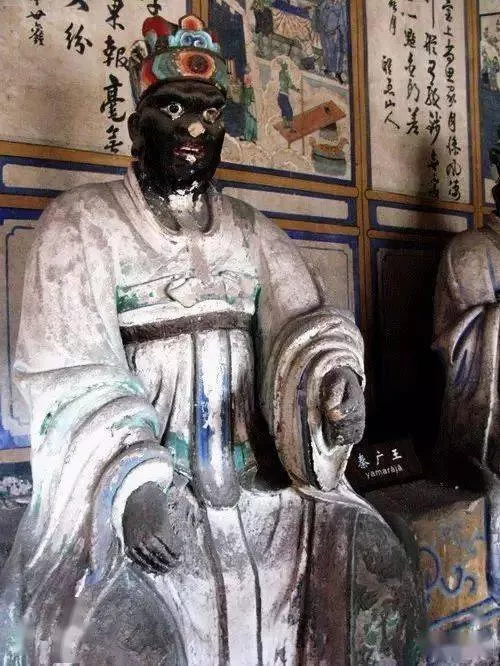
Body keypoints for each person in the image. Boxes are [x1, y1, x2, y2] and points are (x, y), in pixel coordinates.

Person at [0, 13, 424, 664]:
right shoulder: (82, 224)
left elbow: (306, 326)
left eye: (210, 112)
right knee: (93, 629)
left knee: (366, 561)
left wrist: (333, 385)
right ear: (137, 124)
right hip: (149, 495)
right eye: (173, 108)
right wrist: (129, 487)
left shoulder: (250, 229)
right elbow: (72, 375)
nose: (195, 128)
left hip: (258, 486)